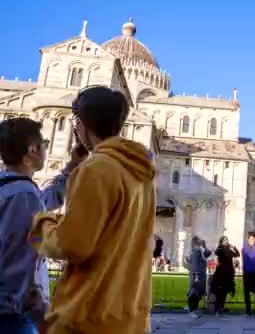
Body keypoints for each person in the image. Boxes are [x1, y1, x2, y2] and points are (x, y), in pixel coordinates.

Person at [29, 86, 156, 333]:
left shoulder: (95, 169)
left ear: (82, 124)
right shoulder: (142, 173)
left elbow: (73, 245)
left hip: (88, 315)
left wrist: (42, 225)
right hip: (129, 316)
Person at [0, 118, 83, 333]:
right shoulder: (23, 196)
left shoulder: (11, 187)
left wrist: (71, 168)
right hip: (12, 315)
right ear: (32, 150)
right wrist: (44, 318)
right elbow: (21, 266)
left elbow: (45, 202)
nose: (46, 149)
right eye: (44, 144)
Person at [211, 236, 240, 316]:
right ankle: (217, 309)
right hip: (221, 273)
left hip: (228, 273)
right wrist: (221, 246)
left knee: (224, 292)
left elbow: (237, 254)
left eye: (227, 240)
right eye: (225, 240)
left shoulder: (230, 250)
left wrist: (234, 247)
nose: (226, 241)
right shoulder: (220, 249)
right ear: (221, 241)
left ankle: (221, 308)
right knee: (219, 292)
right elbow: (216, 253)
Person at [186, 236, 212, 318]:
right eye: (199, 242)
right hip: (196, 275)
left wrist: (204, 246)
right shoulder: (196, 252)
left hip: (200, 275)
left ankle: (194, 309)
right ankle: (191, 310)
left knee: (198, 293)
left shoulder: (200, 251)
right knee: (194, 293)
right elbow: (194, 265)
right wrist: (196, 275)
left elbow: (208, 253)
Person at [242, 232, 255, 317]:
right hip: (246, 272)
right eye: (250, 239)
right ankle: (248, 310)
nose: (251, 240)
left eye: (253, 239)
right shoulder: (244, 247)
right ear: (248, 239)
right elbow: (243, 259)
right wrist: (243, 269)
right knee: (246, 292)